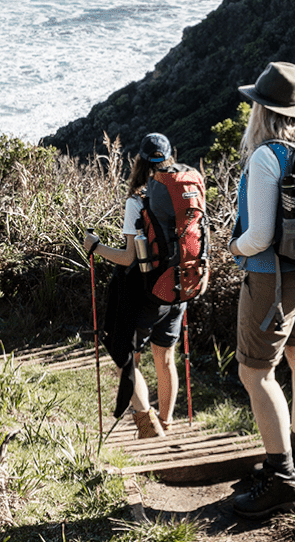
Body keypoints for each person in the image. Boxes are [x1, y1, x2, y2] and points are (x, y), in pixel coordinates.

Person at [228, 61, 295, 519]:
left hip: (275, 278)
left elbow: (259, 235)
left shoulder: (267, 156)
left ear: (262, 111)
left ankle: (283, 481)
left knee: (255, 373)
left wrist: (232, 244)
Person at [83, 132, 186, 438]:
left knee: (124, 356)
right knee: (166, 358)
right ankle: (166, 422)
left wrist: (96, 247)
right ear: (170, 157)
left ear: (139, 161)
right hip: (179, 287)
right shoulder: (183, 192)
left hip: (146, 291)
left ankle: (147, 422)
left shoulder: (137, 200)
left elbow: (129, 258)